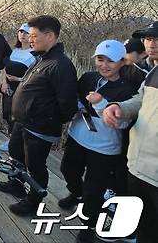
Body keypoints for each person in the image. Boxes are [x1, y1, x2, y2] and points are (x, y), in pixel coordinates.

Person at [0, 15, 78, 216]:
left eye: (34, 35)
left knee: (36, 166)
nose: (30, 39)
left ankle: (34, 201)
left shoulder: (61, 65)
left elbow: (67, 105)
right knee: (16, 153)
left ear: (49, 36)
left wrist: (43, 118)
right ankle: (16, 183)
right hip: (23, 123)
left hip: (39, 128)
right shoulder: (42, 59)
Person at [58, 40, 139, 243]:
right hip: (78, 137)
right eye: (100, 59)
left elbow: (121, 124)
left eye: (111, 61)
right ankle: (76, 193)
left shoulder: (127, 90)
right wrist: (77, 105)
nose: (104, 65)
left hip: (104, 147)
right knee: (68, 170)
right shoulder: (88, 77)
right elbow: (75, 97)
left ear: (122, 62)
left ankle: (89, 226)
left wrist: (101, 103)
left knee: (94, 189)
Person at [102, 21, 158, 243]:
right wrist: (120, 107)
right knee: (145, 227)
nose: (151, 43)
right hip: (137, 165)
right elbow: (141, 99)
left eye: (156, 38)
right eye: (148, 38)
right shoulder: (153, 71)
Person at [0, 23, 35, 147]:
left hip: (22, 88)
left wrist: (17, 79)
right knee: (7, 112)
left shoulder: (34, 54)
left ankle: (16, 142)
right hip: (8, 88)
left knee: (17, 114)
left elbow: (33, 76)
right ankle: (10, 138)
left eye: (26, 33)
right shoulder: (14, 51)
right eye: (20, 32)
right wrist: (4, 82)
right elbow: (5, 68)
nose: (23, 35)